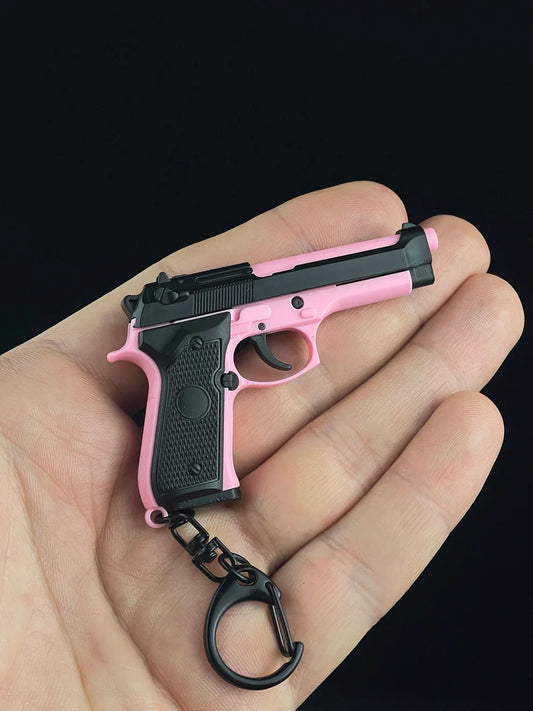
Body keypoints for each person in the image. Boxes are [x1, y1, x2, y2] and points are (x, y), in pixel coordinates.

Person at [0, 181, 524, 709]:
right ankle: (184, 488)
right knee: (194, 403)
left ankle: (182, 490)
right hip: (197, 336)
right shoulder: (198, 327)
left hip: (198, 327)